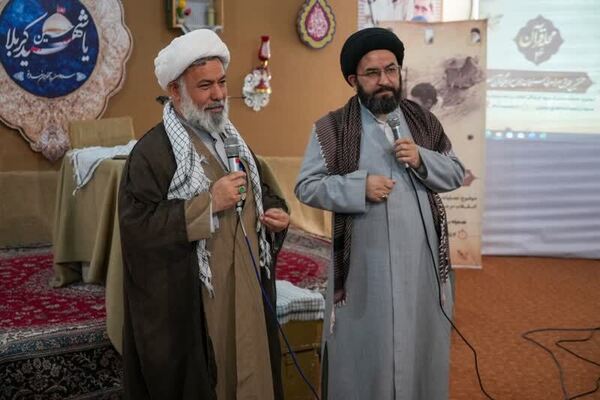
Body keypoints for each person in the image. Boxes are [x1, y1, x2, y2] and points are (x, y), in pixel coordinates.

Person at [118, 29, 289, 400]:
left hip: (246, 287)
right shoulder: (152, 154)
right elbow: (138, 229)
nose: (218, 94)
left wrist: (276, 212)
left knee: (252, 371)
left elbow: (264, 190)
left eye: (222, 82)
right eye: (205, 86)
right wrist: (207, 204)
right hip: (197, 302)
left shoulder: (232, 140)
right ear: (176, 91)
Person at [295, 27, 465, 400]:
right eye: (372, 73)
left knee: (421, 350)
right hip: (364, 270)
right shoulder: (333, 128)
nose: (384, 80)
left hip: (420, 268)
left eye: (391, 70)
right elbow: (306, 186)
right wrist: (358, 187)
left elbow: (455, 172)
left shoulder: (423, 122)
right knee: (366, 356)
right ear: (353, 80)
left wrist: (422, 158)